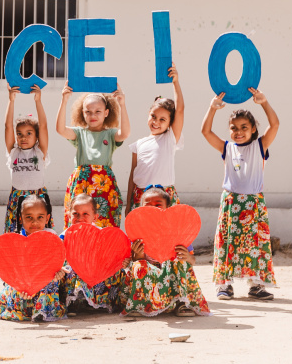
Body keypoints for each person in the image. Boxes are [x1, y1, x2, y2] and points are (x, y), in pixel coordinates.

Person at [201, 87, 280, 300]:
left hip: (254, 203)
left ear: (254, 128)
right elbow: (206, 132)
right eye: (234, 128)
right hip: (231, 202)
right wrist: (212, 108)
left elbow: (275, 125)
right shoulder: (227, 148)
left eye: (244, 127)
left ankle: (256, 285)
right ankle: (224, 286)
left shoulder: (260, 145)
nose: (239, 131)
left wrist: (264, 102)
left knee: (256, 245)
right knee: (227, 243)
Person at [118, 187, 210, 317]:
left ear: (168, 209)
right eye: (148, 206)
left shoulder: (178, 232)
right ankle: (139, 305)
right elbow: (131, 263)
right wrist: (137, 257)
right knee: (139, 266)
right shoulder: (137, 233)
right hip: (149, 289)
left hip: (170, 284)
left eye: (158, 205)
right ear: (140, 209)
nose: (153, 209)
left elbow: (192, 261)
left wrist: (187, 257)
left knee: (180, 261)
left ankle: (181, 302)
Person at [56, 85, 130, 228]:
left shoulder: (110, 134)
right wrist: (64, 101)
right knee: (79, 223)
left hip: (105, 185)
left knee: (105, 223)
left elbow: (125, 133)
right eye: (88, 112)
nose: (93, 115)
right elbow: (60, 129)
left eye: (98, 111)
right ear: (82, 113)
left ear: (106, 113)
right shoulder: (79, 133)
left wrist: (122, 103)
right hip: (81, 183)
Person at [0, 195, 67, 322]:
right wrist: (20, 283)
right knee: (14, 289)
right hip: (21, 285)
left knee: (50, 282)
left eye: (40, 217)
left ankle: (43, 311)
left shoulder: (53, 239)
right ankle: (22, 310)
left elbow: (57, 264)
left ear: (47, 218)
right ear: (21, 219)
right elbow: (7, 270)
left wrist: (60, 273)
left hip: (45, 282)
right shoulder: (14, 240)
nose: (35, 222)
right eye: (29, 217)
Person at [126, 65, 185, 212]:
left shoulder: (170, 139)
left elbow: (180, 109)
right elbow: (132, 175)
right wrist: (128, 205)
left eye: (162, 119)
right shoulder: (138, 145)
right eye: (153, 116)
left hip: (164, 196)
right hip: (140, 196)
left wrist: (175, 82)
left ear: (170, 123)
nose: (156, 122)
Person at [63, 194, 126, 313]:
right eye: (75, 214)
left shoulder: (101, 234)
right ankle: (75, 301)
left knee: (117, 270)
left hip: (97, 273)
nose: (80, 218)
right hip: (75, 272)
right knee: (70, 268)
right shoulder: (66, 235)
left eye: (85, 214)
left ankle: (103, 302)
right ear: (69, 215)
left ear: (95, 217)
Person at [3, 84, 52, 233]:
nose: (23, 137)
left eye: (29, 133)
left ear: (37, 136)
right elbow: (7, 126)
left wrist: (38, 101)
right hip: (17, 197)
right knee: (15, 236)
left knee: (39, 235)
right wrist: (11, 101)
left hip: (38, 196)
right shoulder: (13, 151)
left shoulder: (39, 151)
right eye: (20, 134)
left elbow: (43, 126)